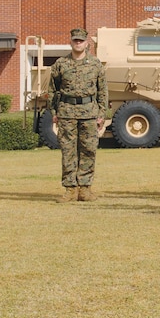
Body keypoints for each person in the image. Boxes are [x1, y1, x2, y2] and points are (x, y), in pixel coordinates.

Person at [50, 28, 108, 202]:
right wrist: (54, 112)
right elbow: (53, 90)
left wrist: (101, 113)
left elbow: (102, 91)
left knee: (88, 150)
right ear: (70, 42)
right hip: (67, 112)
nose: (78, 43)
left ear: (86, 42)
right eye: (75, 40)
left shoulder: (95, 64)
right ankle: (70, 189)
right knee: (68, 151)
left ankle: (85, 188)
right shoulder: (61, 64)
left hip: (89, 112)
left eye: (81, 40)